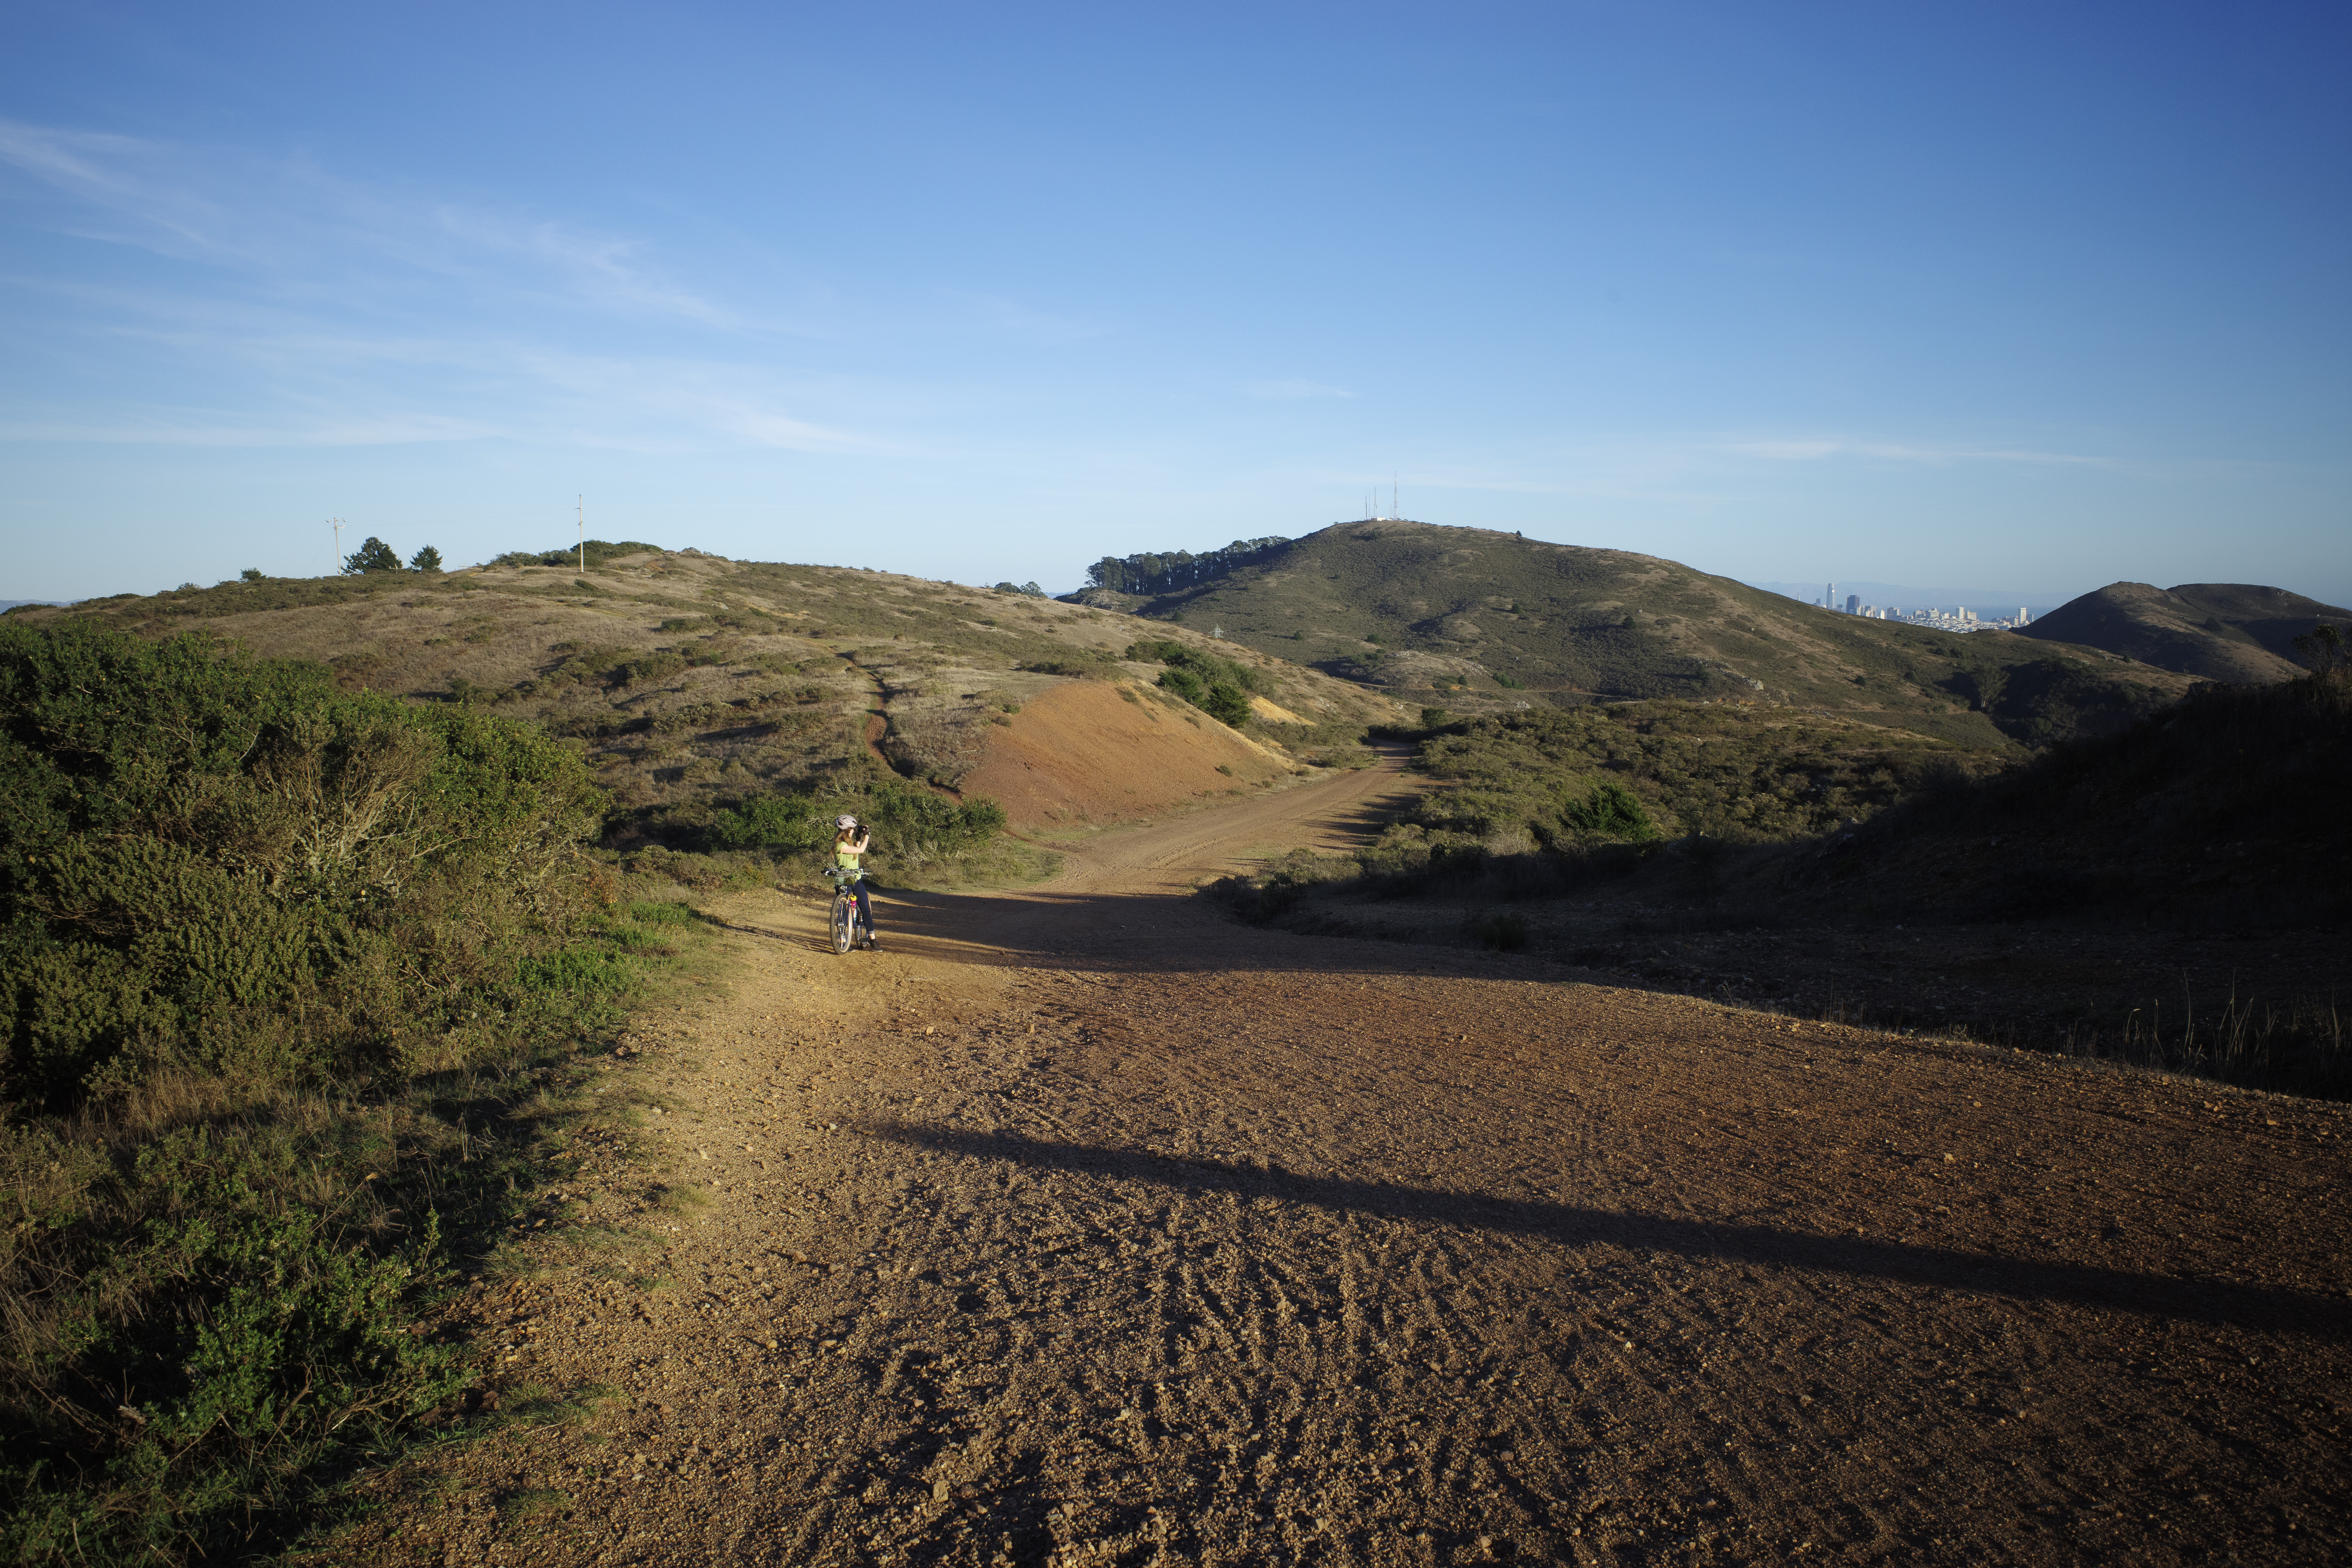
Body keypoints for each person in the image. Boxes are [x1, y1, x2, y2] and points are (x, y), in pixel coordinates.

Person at [833, 814, 877, 949]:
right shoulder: (840, 845)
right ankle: (845, 941)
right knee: (848, 913)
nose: (853, 831)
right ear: (847, 831)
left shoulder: (847, 844)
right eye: (852, 829)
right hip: (848, 880)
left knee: (865, 909)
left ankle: (872, 938)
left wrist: (858, 839)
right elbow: (861, 850)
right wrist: (867, 836)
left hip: (849, 879)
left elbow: (855, 853)